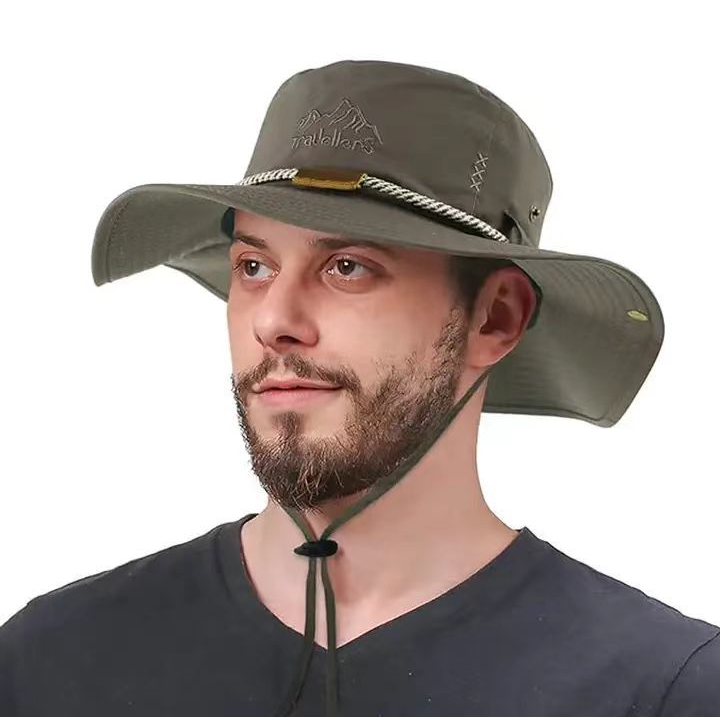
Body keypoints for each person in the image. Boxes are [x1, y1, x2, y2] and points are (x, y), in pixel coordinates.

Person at [1, 59, 718, 716]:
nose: (274, 322)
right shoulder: (52, 663)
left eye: (347, 267)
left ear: (495, 318)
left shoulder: (658, 690)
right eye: (253, 267)